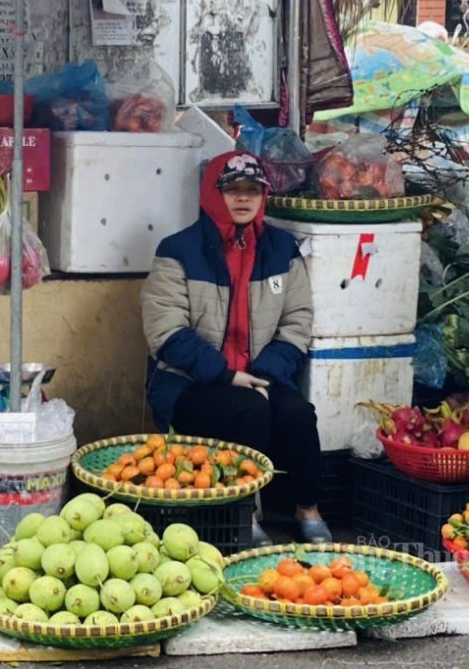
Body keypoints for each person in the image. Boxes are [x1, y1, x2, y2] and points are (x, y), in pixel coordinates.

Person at [140, 150, 331, 546]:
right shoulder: (178, 250)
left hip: (262, 373)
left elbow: (298, 320)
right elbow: (166, 332)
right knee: (248, 411)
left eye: (252, 190)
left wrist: (264, 373)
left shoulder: (282, 250)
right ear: (212, 194)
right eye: (232, 190)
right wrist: (227, 375)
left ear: (264, 197)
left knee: (298, 413)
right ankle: (247, 512)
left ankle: (307, 508)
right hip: (190, 382)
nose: (243, 199)